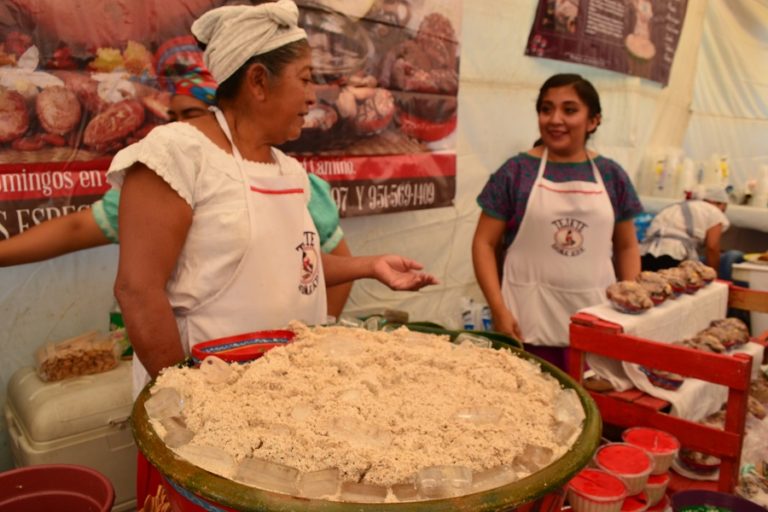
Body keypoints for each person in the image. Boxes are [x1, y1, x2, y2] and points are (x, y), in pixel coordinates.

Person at [107, 0, 436, 390]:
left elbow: (293, 265)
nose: (313, 97)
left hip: (283, 390)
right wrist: (186, 397)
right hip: (207, 391)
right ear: (259, 82)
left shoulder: (288, 170)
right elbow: (138, 290)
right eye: (305, 79)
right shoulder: (176, 154)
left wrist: (370, 265)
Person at [0, 49, 353, 318]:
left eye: (192, 115)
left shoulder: (295, 183)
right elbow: (79, 229)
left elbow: (329, 266)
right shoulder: (162, 180)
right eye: (173, 117)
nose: (179, 128)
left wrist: (322, 328)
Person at [472, 73, 642, 371]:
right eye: (546, 109)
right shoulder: (516, 172)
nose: (555, 119)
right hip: (526, 326)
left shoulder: (612, 175)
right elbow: (484, 243)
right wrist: (498, 309)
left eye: (570, 110)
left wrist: (630, 303)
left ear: (593, 121)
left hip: (597, 323)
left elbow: (627, 246)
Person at [640, 186, 730, 274]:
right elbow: (712, 247)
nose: (722, 212)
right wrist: (713, 275)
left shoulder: (675, 206)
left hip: (645, 254)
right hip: (674, 256)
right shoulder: (714, 211)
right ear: (719, 203)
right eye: (724, 209)